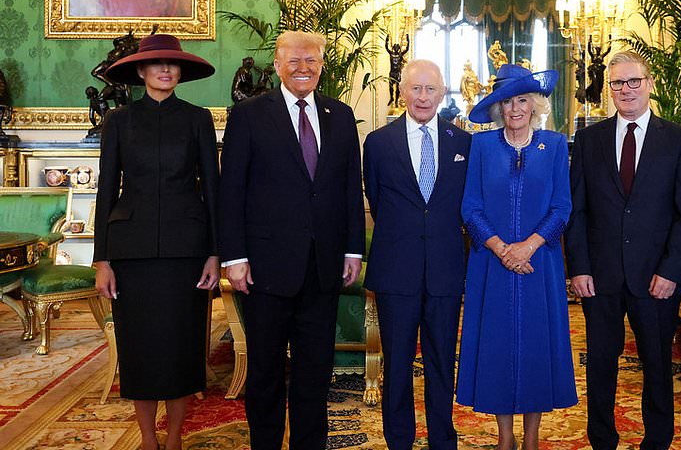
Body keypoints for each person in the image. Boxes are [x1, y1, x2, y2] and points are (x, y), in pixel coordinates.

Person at [218, 30, 366, 450]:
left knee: (315, 372)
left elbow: (348, 191)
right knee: (264, 373)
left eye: (312, 60)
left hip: (323, 266)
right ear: (278, 65)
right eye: (294, 61)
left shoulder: (340, 115)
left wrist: (353, 249)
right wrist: (235, 256)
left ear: (322, 65)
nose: (304, 68)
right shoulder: (248, 115)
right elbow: (233, 191)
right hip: (265, 267)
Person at [564, 50, 681, 450]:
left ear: (650, 83)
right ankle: (602, 440)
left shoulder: (679, 141)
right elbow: (577, 210)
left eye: (633, 81)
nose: (626, 90)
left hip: (656, 277)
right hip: (599, 276)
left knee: (657, 366)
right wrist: (579, 268)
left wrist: (672, 271)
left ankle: (656, 442)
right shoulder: (589, 139)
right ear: (609, 89)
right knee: (600, 366)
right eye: (618, 83)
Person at [92, 33, 219, 450]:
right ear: (141, 71)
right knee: (141, 351)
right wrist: (102, 260)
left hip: (187, 250)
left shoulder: (198, 119)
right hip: (132, 252)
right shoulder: (119, 121)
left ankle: (177, 436)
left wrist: (215, 253)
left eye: (173, 64)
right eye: (157, 64)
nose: (166, 70)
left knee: (182, 349)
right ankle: (148, 439)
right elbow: (106, 190)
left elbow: (212, 190)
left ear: (181, 72)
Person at [457, 64, 576, 450]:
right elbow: (470, 207)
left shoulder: (556, 146)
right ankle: (505, 437)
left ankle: (532, 437)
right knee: (497, 347)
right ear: (497, 108)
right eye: (507, 101)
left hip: (539, 263)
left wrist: (528, 246)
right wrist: (500, 248)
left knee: (536, 346)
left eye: (522, 99)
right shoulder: (481, 146)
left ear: (536, 104)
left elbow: (562, 207)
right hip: (491, 265)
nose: (514, 108)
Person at [363, 59, 471, 450]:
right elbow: (377, 202)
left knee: (443, 363)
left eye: (431, 90)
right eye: (416, 88)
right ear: (402, 91)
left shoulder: (463, 143)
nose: (423, 97)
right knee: (397, 364)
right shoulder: (378, 143)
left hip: (444, 271)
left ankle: (443, 440)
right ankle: (400, 441)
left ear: (443, 94)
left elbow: (463, 205)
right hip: (396, 272)